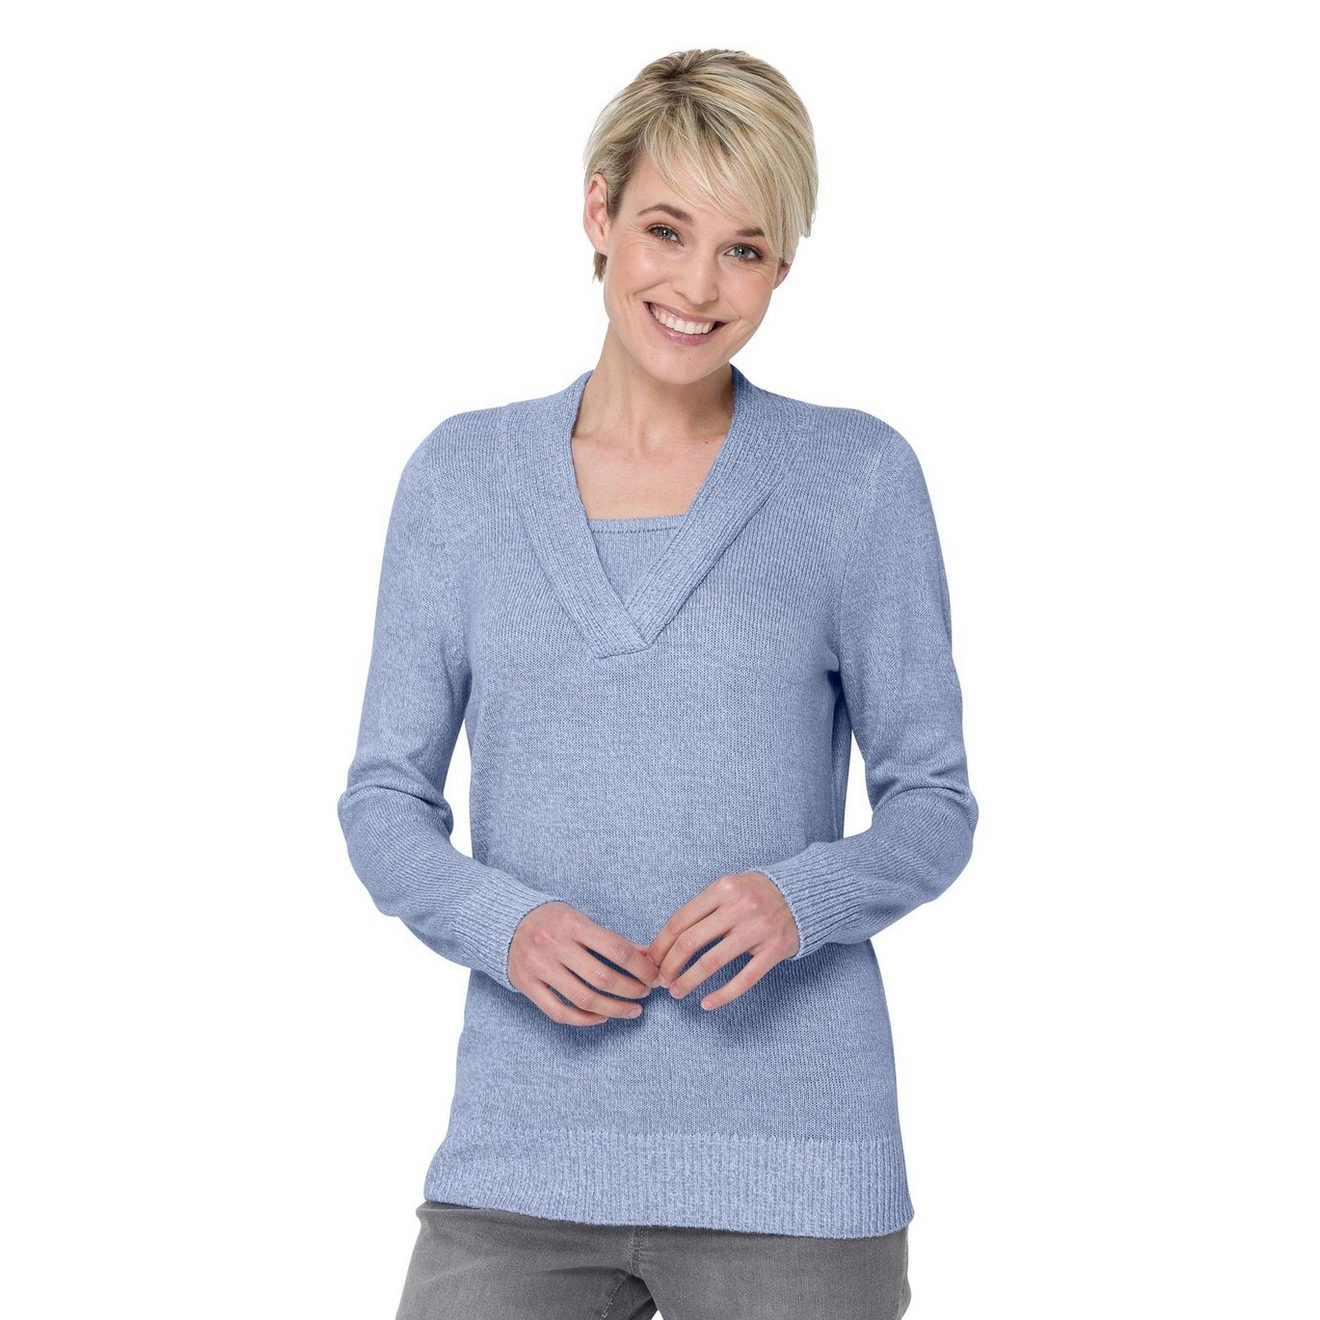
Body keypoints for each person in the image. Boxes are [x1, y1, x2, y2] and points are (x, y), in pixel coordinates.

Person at [337, 47, 977, 1320]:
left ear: (783, 265)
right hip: (519, 1164)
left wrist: (801, 898)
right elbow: (382, 799)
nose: (697, 286)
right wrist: (501, 925)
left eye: (745, 249)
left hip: (796, 1174)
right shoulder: (462, 479)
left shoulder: (855, 481)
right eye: (666, 230)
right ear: (599, 212)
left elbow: (935, 805)